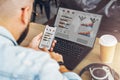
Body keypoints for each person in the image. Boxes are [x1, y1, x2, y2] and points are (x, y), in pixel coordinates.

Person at [0, 0, 82, 80]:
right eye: (32, 13)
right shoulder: (41, 66)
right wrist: (60, 64)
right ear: (24, 13)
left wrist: (28, 49)